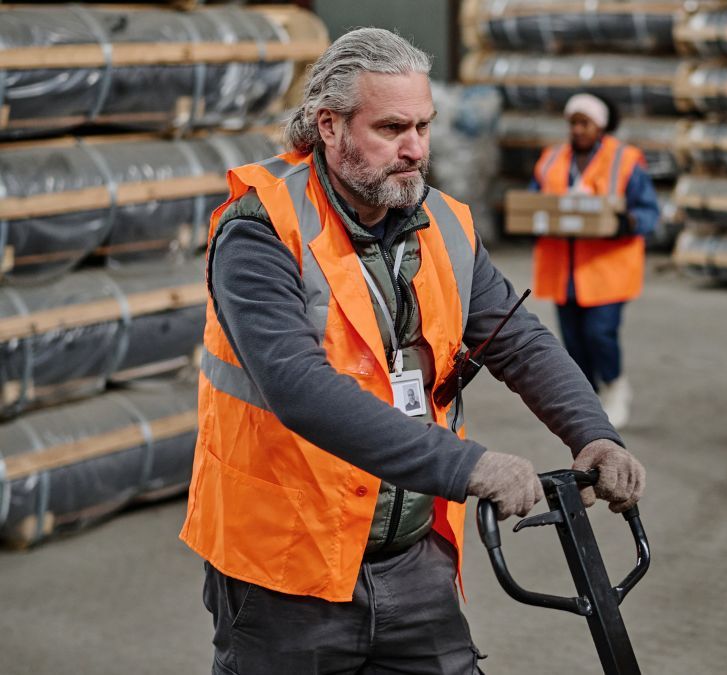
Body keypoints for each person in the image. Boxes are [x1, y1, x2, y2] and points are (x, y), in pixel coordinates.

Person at [179, 29, 645, 675]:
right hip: (285, 571)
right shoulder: (260, 230)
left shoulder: (444, 223)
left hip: (414, 562)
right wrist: (468, 466)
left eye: (424, 125)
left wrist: (593, 433)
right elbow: (298, 388)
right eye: (392, 128)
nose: (416, 149)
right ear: (329, 126)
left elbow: (519, 340)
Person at [529, 93, 660, 429]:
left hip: (607, 270)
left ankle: (615, 386)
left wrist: (626, 222)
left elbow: (649, 211)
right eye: (573, 122)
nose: (577, 129)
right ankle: (589, 399)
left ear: (600, 126)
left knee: (600, 333)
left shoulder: (625, 160)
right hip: (563, 270)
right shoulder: (551, 159)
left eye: (584, 123)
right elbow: (531, 203)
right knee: (573, 341)